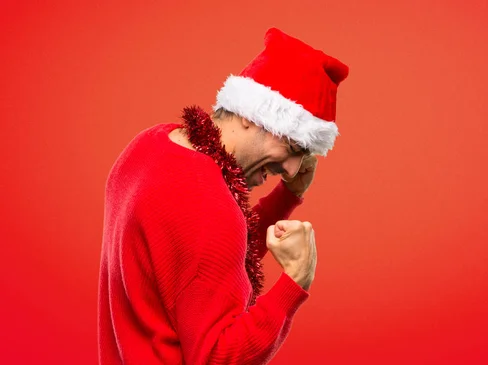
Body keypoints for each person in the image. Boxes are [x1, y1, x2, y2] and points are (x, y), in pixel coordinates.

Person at [98, 27, 349, 364]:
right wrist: (294, 282)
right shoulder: (209, 205)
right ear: (251, 117)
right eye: (291, 146)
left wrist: (285, 198)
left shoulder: (150, 144)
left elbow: (200, 268)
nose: (291, 169)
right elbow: (218, 356)